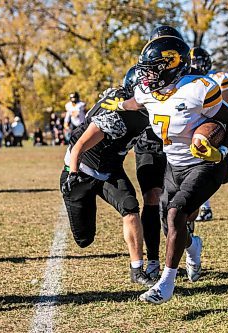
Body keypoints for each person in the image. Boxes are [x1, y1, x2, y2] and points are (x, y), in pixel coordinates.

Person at [110, 36, 228, 304]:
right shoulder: (148, 91)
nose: (145, 76)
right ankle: (193, 246)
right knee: (171, 226)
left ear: (172, 66)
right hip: (175, 165)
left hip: (205, 163)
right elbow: (134, 102)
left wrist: (222, 150)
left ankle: (166, 285)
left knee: (176, 214)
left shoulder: (199, 88)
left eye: (152, 68)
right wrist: (115, 104)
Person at [61, 73, 155, 287]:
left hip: (109, 170)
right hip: (81, 171)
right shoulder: (117, 115)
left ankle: (137, 270)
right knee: (84, 239)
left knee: (130, 208)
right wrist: (73, 175)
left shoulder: (137, 107)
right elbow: (78, 148)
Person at [189, 46, 228, 222]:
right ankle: (205, 209)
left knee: (221, 177)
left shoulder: (220, 78)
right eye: (192, 62)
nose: (195, 65)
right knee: (199, 170)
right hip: (198, 130)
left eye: (197, 61)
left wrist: (218, 117)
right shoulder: (188, 79)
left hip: (220, 130)